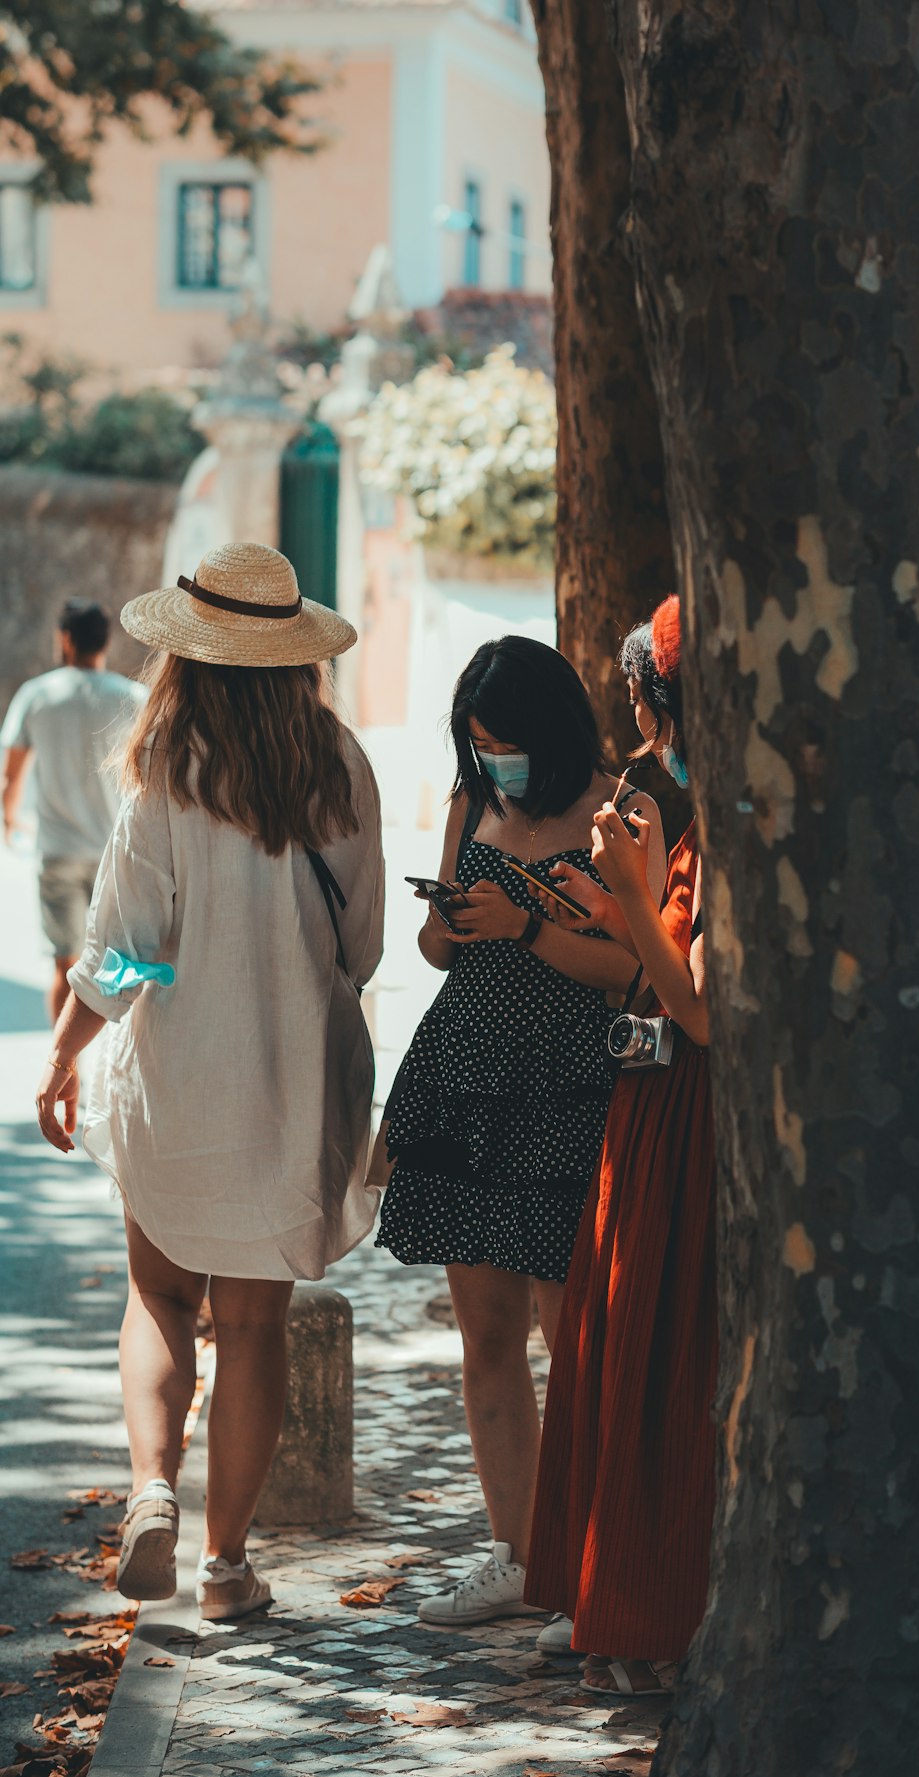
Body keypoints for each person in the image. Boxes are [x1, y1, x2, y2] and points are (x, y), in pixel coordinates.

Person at [33, 543, 385, 1622]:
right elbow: (360, 949)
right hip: (292, 1087)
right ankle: (228, 1569)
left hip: (180, 1081)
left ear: (190, 655)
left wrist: (63, 1048)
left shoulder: (165, 769)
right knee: (258, 1324)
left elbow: (129, 950)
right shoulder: (341, 765)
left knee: (160, 1295)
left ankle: (150, 1492)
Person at [376, 635, 666, 1626]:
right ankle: (516, 1552)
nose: (487, 756)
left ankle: (587, 1564)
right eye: (474, 740)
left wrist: (531, 927)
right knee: (486, 1333)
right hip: (468, 1079)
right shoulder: (473, 806)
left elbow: (638, 971)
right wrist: (451, 922)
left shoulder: (617, 811)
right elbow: (434, 950)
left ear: (547, 732)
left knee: (570, 1334)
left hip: (571, 1088)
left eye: (500, 740)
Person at [524, 596, 717, 1696]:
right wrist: (625, 901)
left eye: (643, 704)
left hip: (683, 1126)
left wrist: (633, 901)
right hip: (649, 1118)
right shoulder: (701, 815)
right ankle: (612, 1598)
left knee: (656, 1362)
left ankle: (644, 1615)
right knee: (617, 1348)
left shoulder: (723, 824)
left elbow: (697, 1008)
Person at [1, 600, 147, 1023]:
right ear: (105, 642)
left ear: (65, 639)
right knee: (117, 973)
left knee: (65, 969)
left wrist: (9, 822)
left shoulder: (37, 695)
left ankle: (67, 1071)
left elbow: (11, 777)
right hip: (114, 854)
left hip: (57, 853)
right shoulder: (134, 698)